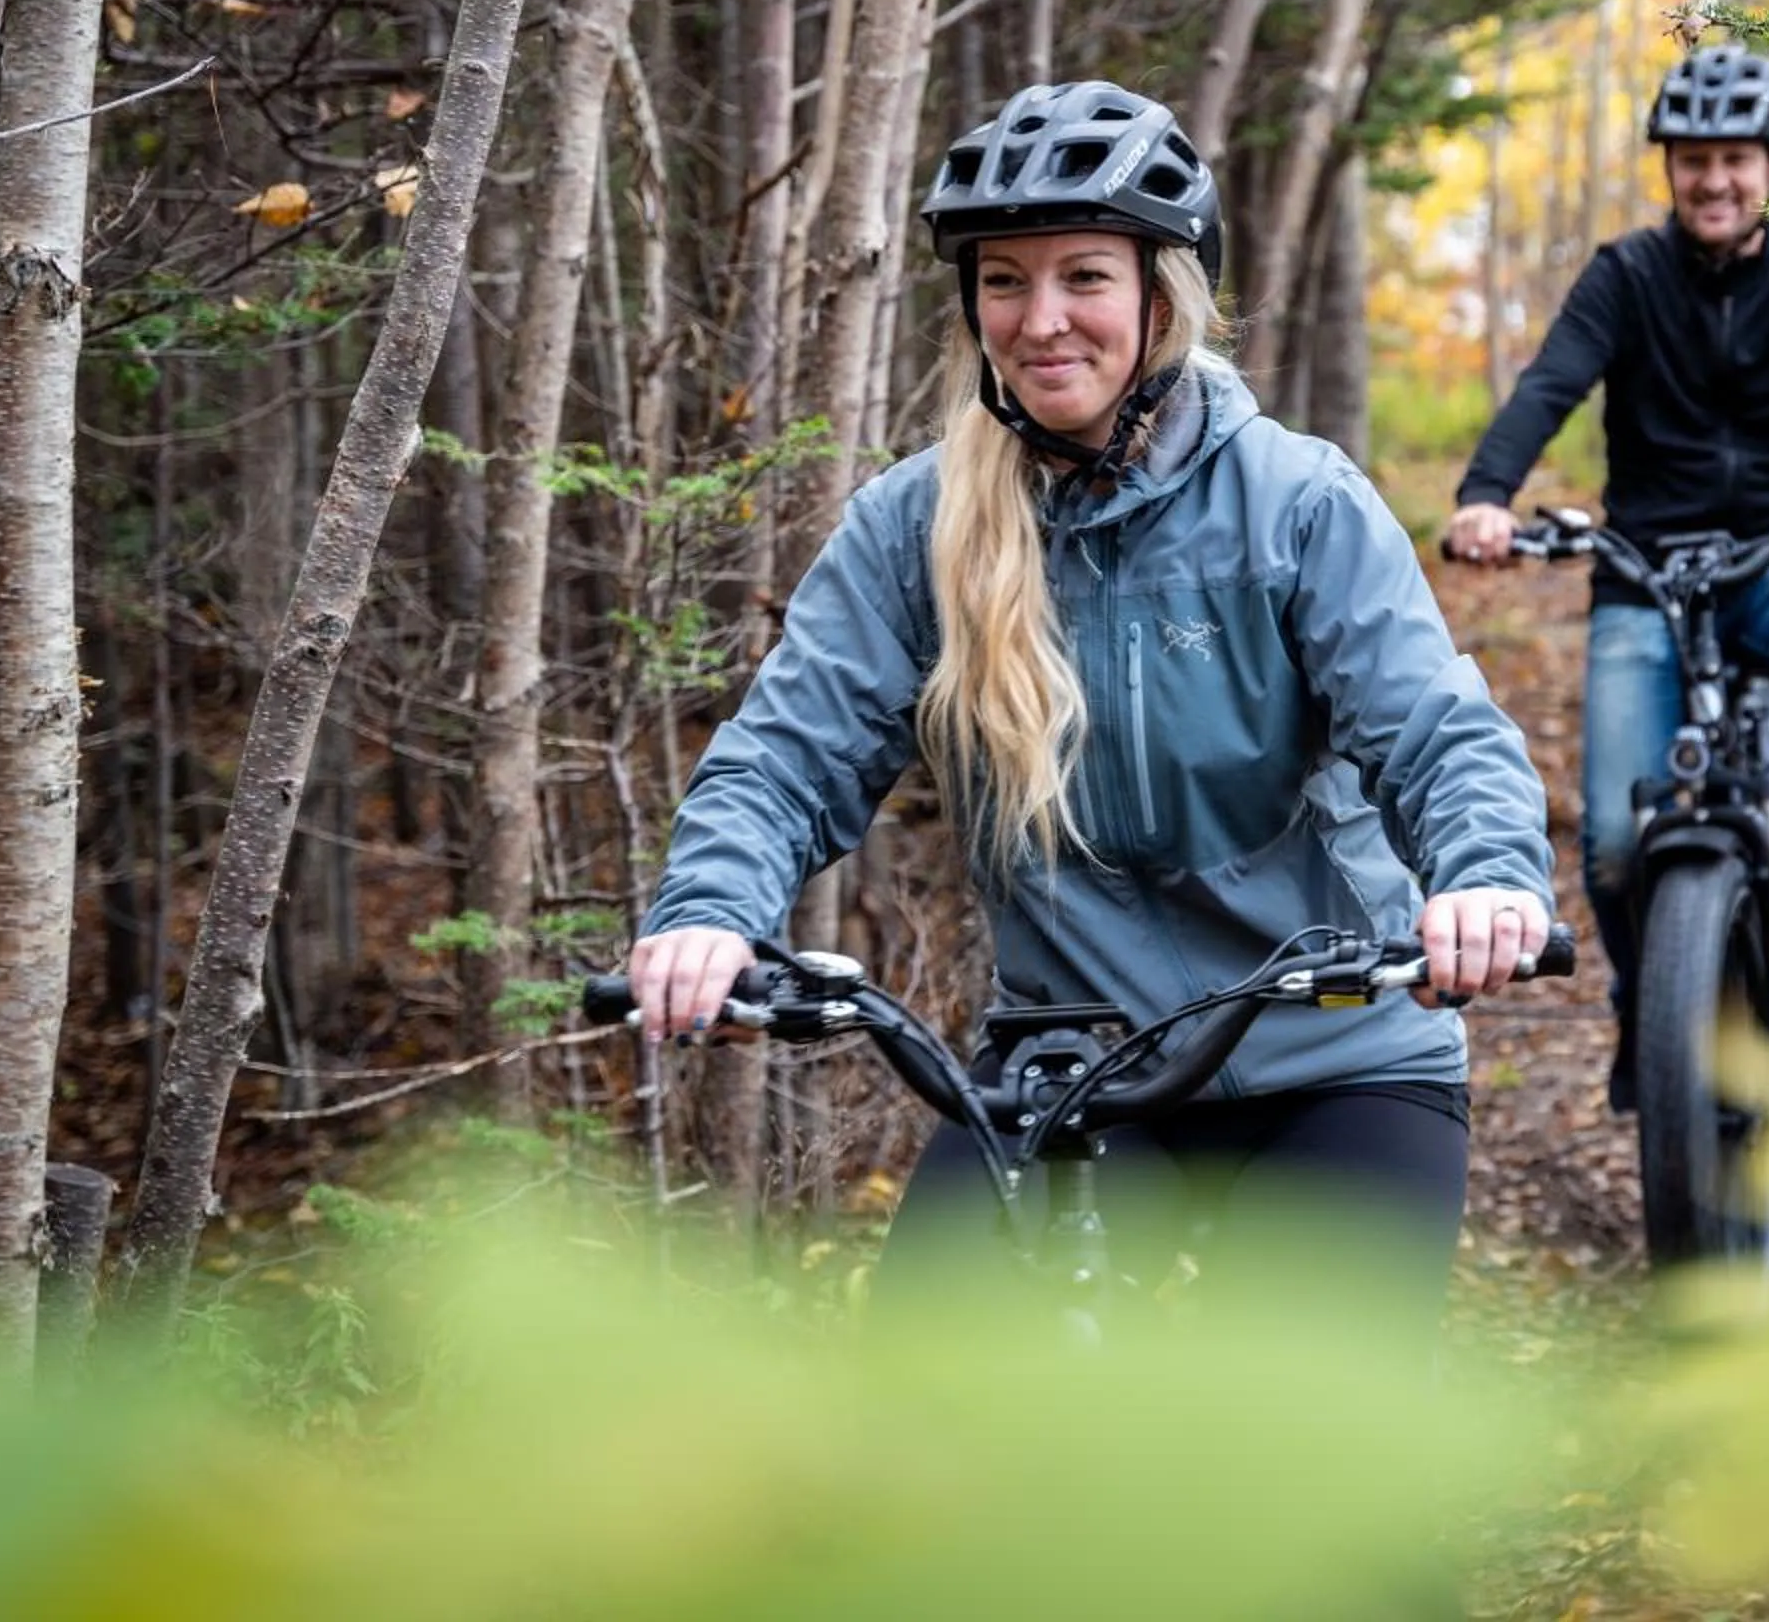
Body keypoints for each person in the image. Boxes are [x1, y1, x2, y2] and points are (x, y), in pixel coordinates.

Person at [630, 79, 1554, 1308]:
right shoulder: (916, 526)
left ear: (1161, 299)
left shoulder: (1294, 502)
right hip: (1076, 1055)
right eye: (1005, 281)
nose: (1041, 319)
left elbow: (1435, 728)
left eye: (1084, 277)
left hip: (1338, 1044)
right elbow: (787, 755)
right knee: (931, 1362)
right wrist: (710, 911)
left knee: (1317, 1398)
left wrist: (1486, 875)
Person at [1442, 44, 1769, 1111]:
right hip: (1646, 568)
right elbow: (1550, 385)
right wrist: (1487, 493)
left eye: (1733, 159)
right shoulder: (1625, 276)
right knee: (1614, 840)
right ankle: (1650, 1004)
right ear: (1670, 169)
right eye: (1692, 161)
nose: (1713, 180)